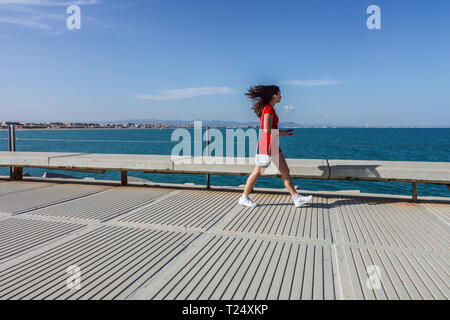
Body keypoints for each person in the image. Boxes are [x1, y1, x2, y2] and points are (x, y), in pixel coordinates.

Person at [238, 85, 313, 208]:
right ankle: (244, 197)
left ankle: (296, 198)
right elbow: (266, 130)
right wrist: (282, 133)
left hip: (273, 145)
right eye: (279, 94)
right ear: (274, 96)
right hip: (266, 145)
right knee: (257, 172)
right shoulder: (268, 109)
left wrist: (282, 132)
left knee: (285, 171)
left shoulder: (270, 108)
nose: (281, 96)